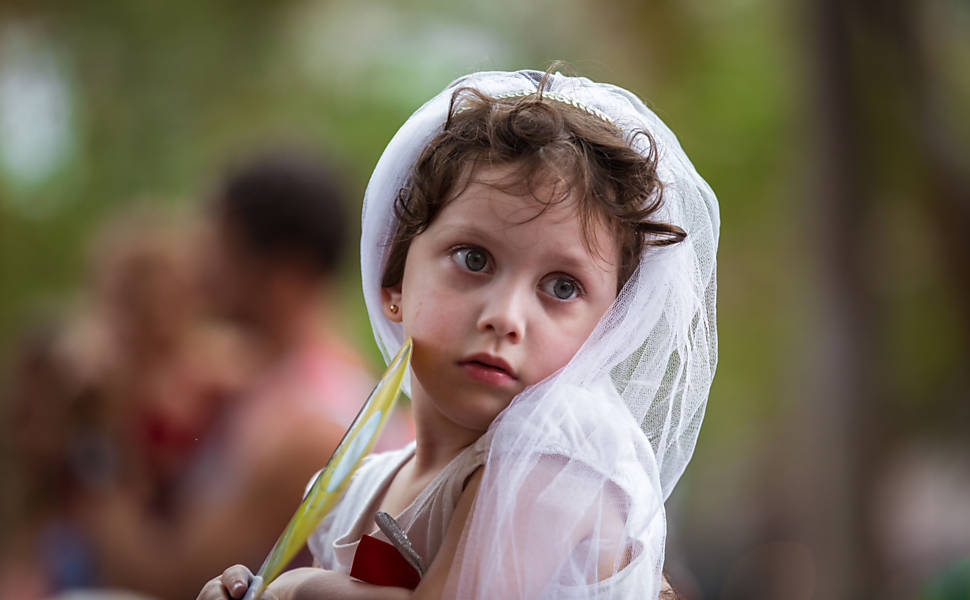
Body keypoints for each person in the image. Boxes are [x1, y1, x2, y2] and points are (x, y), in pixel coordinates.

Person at [198, 67, 718, 599]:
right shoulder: (366, 480)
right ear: (394, 277)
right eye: (474, 259)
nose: (506, 316)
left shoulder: (558, 472)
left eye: (561, 288)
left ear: (606, 330)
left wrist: (298, 592)